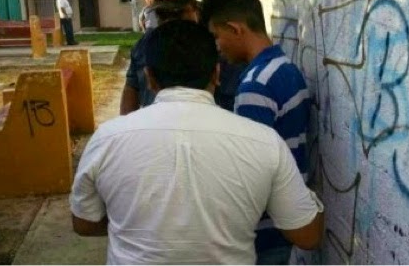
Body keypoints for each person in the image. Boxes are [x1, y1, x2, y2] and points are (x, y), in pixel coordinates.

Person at [70, 19, 324, 264]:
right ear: (216, 73)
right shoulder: (264, 141)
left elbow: (84, 222)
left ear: (149, 77)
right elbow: (307, 235)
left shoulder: (106, 139)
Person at [201, 0, 312, 264]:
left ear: (235, 29)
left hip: (264, 231)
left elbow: (251, 174)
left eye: (216, 36)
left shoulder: (254, 86)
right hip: (285, 219)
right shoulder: (285, 67)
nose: (217, 47)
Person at [120, 0, 245, 114]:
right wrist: (127, 124)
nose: (170, 21)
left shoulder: (215, 45)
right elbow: (131, 87)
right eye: (163, 15)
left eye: (178, 13)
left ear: (196, 10)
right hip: (156, 130)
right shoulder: (145, 45)